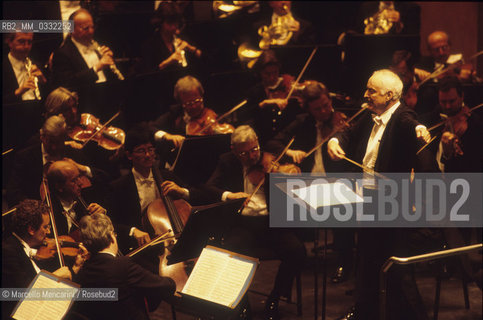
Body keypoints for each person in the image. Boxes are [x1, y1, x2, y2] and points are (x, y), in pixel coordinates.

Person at [328, 69, 431, 320]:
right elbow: (348, 131)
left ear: (390, 95)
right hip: (367, 199)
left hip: (390, 203)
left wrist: (420, 128)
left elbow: (412, 122)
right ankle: (366, 309)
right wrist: (335, 140)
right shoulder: (369, 115)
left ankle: (413, 316)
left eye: (371, 91)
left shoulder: (402, 116)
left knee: (396, 267)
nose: (366, 95)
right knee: (367, 260)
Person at [206, 125, 306, 320]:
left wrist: (289, 176)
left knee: (297, 251)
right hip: (243, 224)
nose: (252, 157)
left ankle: (275, 298)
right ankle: (241, 304)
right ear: (234, 150)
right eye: (245, 153)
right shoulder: (226, 161)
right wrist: (230, 195)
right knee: (232, 252)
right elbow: (210, 187)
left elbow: (293, 186)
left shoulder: (271, 160)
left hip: (271, 223)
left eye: (255, 149)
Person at [108, 125, 205, 255]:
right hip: (141, 249)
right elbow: (111, 222)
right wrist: (133, 231)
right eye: (141, 151)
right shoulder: (119, 186)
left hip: (173, 240)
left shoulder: (167, 176)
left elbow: (202, 196)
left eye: (150, 149)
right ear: (129, 155)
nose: (148, 155)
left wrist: (183, 192)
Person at [73, 213, 176, 320]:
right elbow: (165, 286)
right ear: (111, 237)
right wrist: (171, 281)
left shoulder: (83, 271)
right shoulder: (122, 265)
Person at [2, 199, 83, 319]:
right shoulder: (7, 252)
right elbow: (25, 297)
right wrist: (55, 276)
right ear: (31, 230)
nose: (49, 231)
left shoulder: (26, 249)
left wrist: (76, 267)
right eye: (45, 227)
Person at [6, 115, 92, 207]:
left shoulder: (74, 153)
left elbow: (99, 179)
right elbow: (13, 192)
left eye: (58, 142)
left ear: (65, 138)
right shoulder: (24, 157)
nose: (54, 147)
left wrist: (83, 168)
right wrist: (36, 208)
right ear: (42, 137)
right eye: (50, 141)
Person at [150, 75, 234, 161]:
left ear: (202, 95)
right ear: (181, 103)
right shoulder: (175, 114)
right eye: (188, 103)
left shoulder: (215, 106)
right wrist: (167, 136)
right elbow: (151, 128)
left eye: (197, 101)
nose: (194, 106)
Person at [241, 50, 304, 147]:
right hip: (264, 139)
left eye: (275, 72)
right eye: (267, 74)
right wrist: (265, 103)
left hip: (287, 139)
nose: (271, 77)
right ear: (260, 72)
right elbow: (247, 115)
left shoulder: (287, 84)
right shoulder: (254, 91)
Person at [52, 8, 120, 88]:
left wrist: (110, 60)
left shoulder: (98, 46)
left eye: (92, 27)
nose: (91, 31)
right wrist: (96, 68)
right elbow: (67, 83)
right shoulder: (62, 54)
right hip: (85, 97)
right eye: (86, 28)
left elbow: (112, 78)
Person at [3, 32, 47, 104]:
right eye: (21, 41)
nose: (26, 46)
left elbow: (48, 99)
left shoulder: (36, 64)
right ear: (9, 42)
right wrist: (19, 92)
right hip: (13, 112)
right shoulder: (4, 66)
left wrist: (43, 81)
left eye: (29, 42)